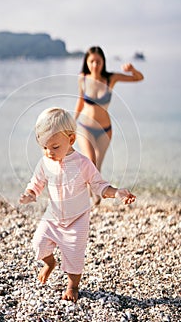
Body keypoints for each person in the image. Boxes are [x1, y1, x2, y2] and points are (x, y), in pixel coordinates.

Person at [19, 107, 136, 303]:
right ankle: (50, 263)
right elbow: (37, 182)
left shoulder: (83, 163)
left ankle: (72, 286)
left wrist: (116, 192)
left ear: (71, 140)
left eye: (55, 147)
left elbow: (99, 185)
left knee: (74, 255)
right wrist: (31, 193)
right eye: (45, 147)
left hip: (77, 219)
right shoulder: (45, 162)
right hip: (53, 216)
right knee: (38, 244)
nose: (49, 152)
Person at [74, 46, 144, 197]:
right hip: (85, 127)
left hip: (105, 130)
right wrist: (72, 121)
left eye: (98, 62)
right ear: (86, 62)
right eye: (92, 61)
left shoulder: (110, 78)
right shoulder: (83, 78)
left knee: (97, 166)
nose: (95, 65)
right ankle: (89, 194)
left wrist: (132, 69)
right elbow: (80, 102)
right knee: (90, 161)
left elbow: (139, 78)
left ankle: (95, 193)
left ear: (103, 62)